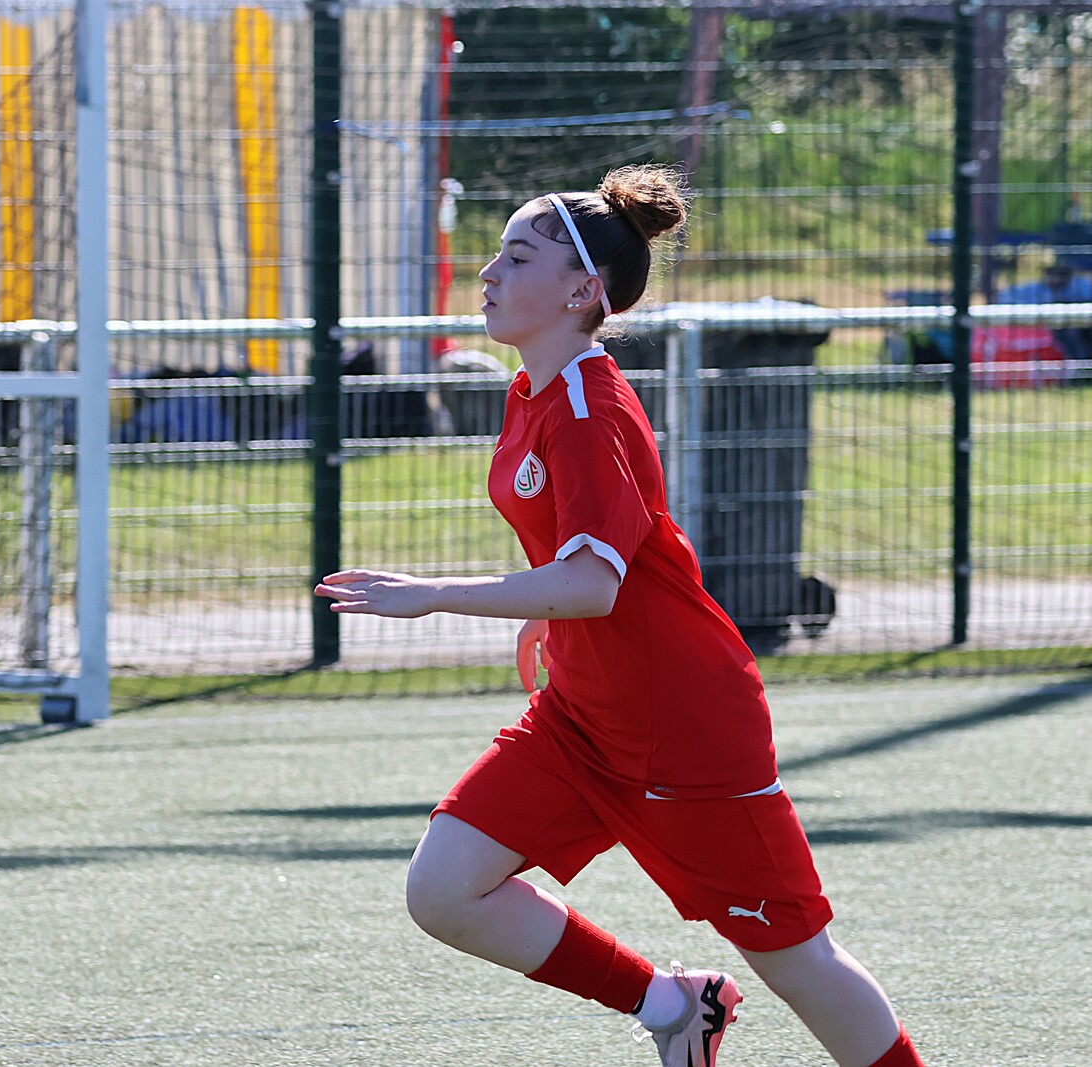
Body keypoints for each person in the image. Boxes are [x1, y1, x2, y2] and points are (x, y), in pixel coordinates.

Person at [314, 165, 927, 1067]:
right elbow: (593, 557)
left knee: (797, 960)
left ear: (581, 291)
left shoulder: (585, 406)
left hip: (684, 727)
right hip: (585, 716)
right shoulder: (534, 392)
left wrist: (435, 592)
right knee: (444, 888)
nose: (488, 271)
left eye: (517, 256)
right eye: (496, 251)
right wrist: (545, 611)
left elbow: (594, 584)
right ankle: (676, 1007)